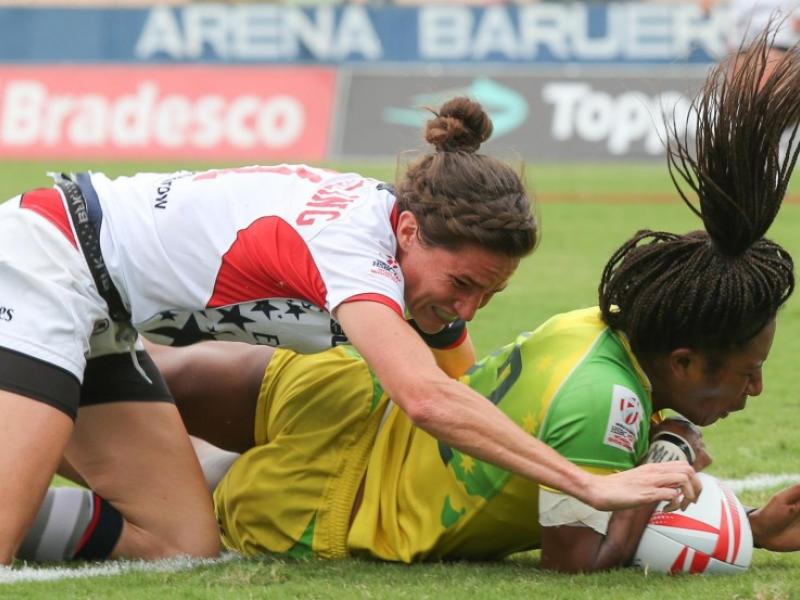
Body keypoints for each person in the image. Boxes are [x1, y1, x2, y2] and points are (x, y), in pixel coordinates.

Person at [144, 30, 800, 570]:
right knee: (139, 499)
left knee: (120, 384)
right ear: (683, 361)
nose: (758, 390)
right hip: (337, 498)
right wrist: (673, 450)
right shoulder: (612, 403)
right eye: (746, 372)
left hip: (355, 387)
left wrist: (747, 525)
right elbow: (580, 560)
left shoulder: (596, 332)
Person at [0, 96, 698, 564]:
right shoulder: (349, 246)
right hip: (46, 263)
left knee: (180, 540)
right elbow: (425, 399)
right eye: (462, 284)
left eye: (490, 293)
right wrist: (589, 485)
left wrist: (658, 431)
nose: (467, 311)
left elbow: (471, 398)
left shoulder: (415, 272)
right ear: (406, 230)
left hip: (102, 318)